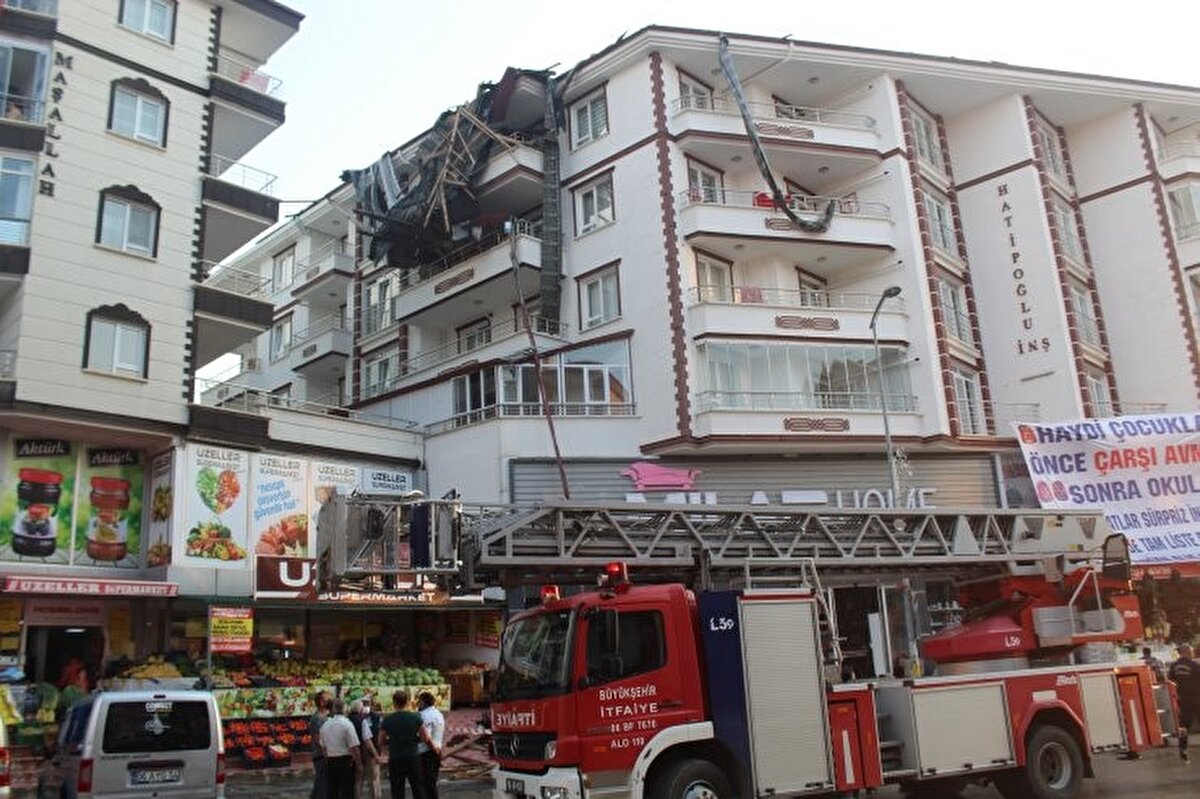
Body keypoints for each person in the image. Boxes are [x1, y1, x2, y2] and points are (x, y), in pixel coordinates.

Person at [377, 690, 432, 799]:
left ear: (394, 703)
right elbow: (425, 738)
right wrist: (414, 739)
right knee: (418, 788)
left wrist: (391, 742)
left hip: (395, 758)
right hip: (413, 757)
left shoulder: (387, 719)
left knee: (397, 790)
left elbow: (380, 741)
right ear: (407, 702)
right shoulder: (416, 717)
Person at [319, 699, 362, 799]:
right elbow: (354, 747)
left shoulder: (325, 725)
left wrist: (327, 759)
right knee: (347, 791)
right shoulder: (347, 724)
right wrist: (359, 764)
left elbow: (323, 747)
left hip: (331, 761)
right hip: (345, 761)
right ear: (344, 709)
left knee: (332, 791)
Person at [1169, 643, 1200, 763]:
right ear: (1186, 652)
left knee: (1183, 726)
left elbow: (1171, 680)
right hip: (1197, 699)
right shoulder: (1194, 665)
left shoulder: (1174, 666)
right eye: (1191, 652)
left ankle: (1183, 749)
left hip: (1183, 700)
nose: (1193, 654)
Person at [417, 691, 445, 799]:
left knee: (426, 784)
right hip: (437, 750)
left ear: (423, 702)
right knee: (432, 782)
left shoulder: (423, 716)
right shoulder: (439, 714)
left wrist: (433, 749)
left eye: (419, 702)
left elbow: (425, 738)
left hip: (426, 752)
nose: (418, 705)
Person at [354, 699, 382, 799]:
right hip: (365, 753)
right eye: (364, 704)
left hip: (363, 753)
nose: (365, 707)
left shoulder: (375, 717)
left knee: (370, 781)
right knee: (364, 781)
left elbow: (379, 735)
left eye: (367, 704)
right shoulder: (358, 719)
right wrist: (376, 754)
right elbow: (369, 740)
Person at [309, 689, 332, 799]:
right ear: (322, 702)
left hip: (323, 754)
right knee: (322, 783)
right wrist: (326, 753)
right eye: (328, 699)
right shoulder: (318, 718)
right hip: (321, 755)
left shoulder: (324, 717)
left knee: (321, 782)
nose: (330, 701)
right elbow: (318, 739)